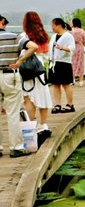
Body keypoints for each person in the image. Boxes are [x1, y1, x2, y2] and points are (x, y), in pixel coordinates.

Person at [0, 18, 36, 156]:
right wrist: (20, 61)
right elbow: (33, 47)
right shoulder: (15, 37)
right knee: (13, 112)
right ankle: (16, 147)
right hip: (10, 76)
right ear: (3, 23)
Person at [20, 12, 52, 142]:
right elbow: (46, 55)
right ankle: (43, 125)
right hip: (39, 70)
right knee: (43, 96)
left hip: (27, 70)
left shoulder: (24, 36)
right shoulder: (44, 36)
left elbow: (21, 52)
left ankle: (31, 125)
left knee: (28, 98)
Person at [49, 18, 76, 112]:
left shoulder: (68, 36)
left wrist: (63, 48)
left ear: (58, 25)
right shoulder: (54, 36)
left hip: (64, 62)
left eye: (53, 25)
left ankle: (70, 104)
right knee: (55, 84)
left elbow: (72, 48)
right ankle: (57, 104)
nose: (52, 27)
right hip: (54, 63)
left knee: (66, 84)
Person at [70, 17, 85, 86]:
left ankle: (72, 80)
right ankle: (81, 81)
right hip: (80, 48)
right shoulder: (82, 31)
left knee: (72, 63)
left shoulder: (71, 31)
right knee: (81, 63)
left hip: (72, 48)